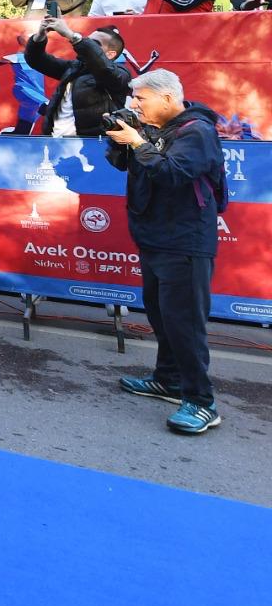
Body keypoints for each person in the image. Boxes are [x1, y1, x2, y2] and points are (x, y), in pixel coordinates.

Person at [104, 69, 226, 435]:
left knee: (185, 324)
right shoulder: (156, 131)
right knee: (162, 316)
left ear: (168, 98)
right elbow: (126, 164)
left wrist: (138, 143)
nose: (134, 106)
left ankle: (202, 402)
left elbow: (173, 173)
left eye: (141, 99)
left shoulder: (197, 132)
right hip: (155, 237)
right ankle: (169, 380)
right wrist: (121, 140)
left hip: (184, 241)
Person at [24, 18, 132, 137]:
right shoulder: (73, 67)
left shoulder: (121, 74)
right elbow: (36, 60)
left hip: (90, 147)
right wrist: (40, 35)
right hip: (54, 142)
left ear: (110, 54)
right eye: (87, 40)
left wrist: (71, 35)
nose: (85, 44)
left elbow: (104, 69)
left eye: (94, 43)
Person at [0, 36, 49, 135]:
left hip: (37, 91)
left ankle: (11, 135)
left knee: (24, 128)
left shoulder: (36, 58)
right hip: (24, 89)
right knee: (47, 105)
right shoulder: (16, 57)